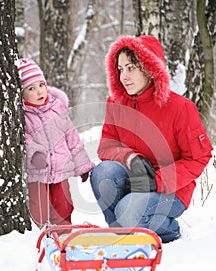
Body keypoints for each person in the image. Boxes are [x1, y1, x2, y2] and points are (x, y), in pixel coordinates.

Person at [90, 35, 213, 243]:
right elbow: (107, 146)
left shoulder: (180, 108)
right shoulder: (116, 103)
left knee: (127, 210)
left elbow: (198, 158)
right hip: (132, 179)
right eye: (120, 69)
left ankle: (169, 230)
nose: (123, 77)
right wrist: (131, 159)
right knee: (102, 173)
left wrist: (156, 180)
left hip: (172, 189)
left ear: (149, 68)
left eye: (131, 68)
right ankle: (121, 235)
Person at [18, 58, 95, 228]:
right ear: (21, 93)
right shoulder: (23, 116)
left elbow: (72, 139)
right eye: (31, 88)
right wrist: (35, 153)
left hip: (61, 171)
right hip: (37, 173)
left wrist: (83, 166)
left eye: (41, 85)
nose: (39, 91)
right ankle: (39, 234)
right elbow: (24, 139)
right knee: (39, 208)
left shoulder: (57, 109)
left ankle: (64, 231)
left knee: (64, 205)